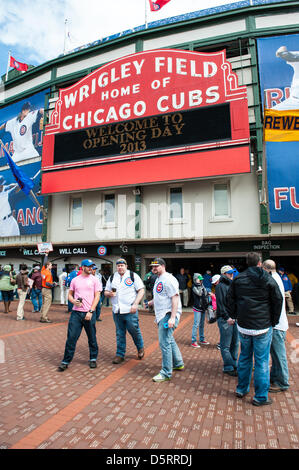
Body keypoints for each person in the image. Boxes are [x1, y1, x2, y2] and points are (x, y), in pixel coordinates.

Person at [226, 252, 283, 406]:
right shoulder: (267, 278)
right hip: (263, 327)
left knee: (244, 357)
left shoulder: (238, 278)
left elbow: (229, 299)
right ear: (259, 263)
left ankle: (241, 389)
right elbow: (278, 300)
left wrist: (234, 315)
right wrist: (274, 320)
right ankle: (260, 397)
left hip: (244, 326)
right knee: (262, 361)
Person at [58, 259, 101, 371]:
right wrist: (73, 302)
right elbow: (70, 295)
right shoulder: (75, 280)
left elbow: (97, 296)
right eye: (88, 266)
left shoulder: (95, 280)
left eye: (92, 266)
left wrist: (91, 311)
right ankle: (66, 361)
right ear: (82, 267)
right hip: (76, 313)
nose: (91, 268)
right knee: (71, 337)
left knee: (92, 338)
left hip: (89, 313)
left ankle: (93, 359)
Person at [147, 258, 184, 383]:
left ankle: (166, 372)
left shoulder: (169, 279)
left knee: (164, 343)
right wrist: (151, 302)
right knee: (169, 340)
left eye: (156, 266)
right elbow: (162, 296)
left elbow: (175, 297)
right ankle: (178, 363)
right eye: (152, 266)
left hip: (168, 314)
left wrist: (173, 318)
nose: (153, 268)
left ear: (163, 266)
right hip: (163, 314)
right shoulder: (159, 279)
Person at [105, 258, 145, 364]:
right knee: (119, 333)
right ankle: (120, 354)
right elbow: (106, 291)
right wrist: (109, 294)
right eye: (118, 266)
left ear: (126, 266)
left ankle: (140, 348)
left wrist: (136, 304)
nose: (120, 267)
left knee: (134, 331)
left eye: (122, 265)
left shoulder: (133, 276)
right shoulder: (113, 277)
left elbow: (141, 290)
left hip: (130, 310)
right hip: (117, 311)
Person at [263, 260, 289, 393]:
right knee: (275, 353)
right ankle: (275, 376)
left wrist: (272, 321)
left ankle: (283, 382)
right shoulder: (277, 277)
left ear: (266, 268)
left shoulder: (272, 279)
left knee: (279, 355)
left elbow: (275, 301)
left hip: (277, 324)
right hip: (278, 323)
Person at [215, 265, 239, 376]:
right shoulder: (220, 286)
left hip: (234, 318)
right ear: (224, 274)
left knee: (235, 343)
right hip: (226, 319)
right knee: (225, 345)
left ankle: (233, 364)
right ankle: (229, 366)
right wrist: (227, 317)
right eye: (229, 273)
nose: (231, 274)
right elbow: (220, 304)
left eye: (232, 272)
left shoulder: (232, 285)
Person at [191, 273, 210, 348]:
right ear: (195, 279)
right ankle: (193, 341)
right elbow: (199, 293)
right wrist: (199, 285)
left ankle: (202, 339)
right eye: (199, 279)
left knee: (202, 325)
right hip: (197, 308)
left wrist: (202, 286)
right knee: (196, 324)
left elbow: (205, 293)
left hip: (203, 308)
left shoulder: (202, 285)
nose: (201, 281)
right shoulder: (194, 286)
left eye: (201, 280)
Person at [40, 252, 58, 323]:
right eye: (51, 265)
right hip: (47, 289)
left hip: (43, 289)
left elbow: (44, 263)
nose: (52, 266)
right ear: (48, 266)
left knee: (44, 304)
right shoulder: (48, 273)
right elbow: (48, 283)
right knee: (47, 304)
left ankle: (42, 316)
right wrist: (53, 285)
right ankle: (44, 317)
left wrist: (46, 255)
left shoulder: (43, 271)